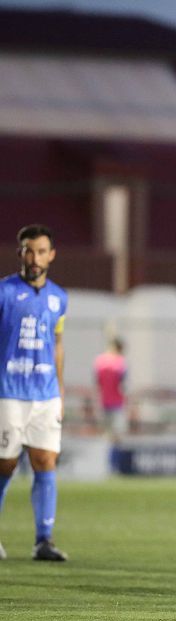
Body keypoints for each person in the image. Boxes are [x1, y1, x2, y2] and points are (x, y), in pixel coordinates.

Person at [0, 224, 69, 561]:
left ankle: (44, 540)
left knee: (45, 461)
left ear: (51, 255)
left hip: (45, 394)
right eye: (29, 250)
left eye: (41, 251)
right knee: (5, 463)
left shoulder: (60, 297)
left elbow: (57, 344)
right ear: (20, 253)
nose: (35, 257)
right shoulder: (4, 292)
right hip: (8, 391)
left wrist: (61, 390)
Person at [94, 337, 127, 441]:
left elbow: (97, 382)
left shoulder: (100, 361)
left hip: (103, 400)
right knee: (117, 433)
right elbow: (123, 385)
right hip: (117, 402)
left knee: (106, 433)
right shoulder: (121, 362)